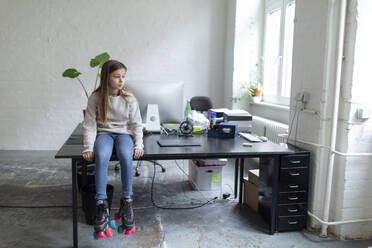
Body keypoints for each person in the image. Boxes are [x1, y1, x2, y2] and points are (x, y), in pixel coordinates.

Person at [82, 60, 144, 238]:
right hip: (104, 134)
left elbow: (136, 124)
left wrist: (138, 144)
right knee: (101, 156)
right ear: (106, 77)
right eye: (117, 76)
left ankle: (127, 201)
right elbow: (89, 125)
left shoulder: (129, 98)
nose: (121, 80)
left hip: (124, 134)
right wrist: (88, 147)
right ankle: (101, 204)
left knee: (126, 155)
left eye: (123, 76)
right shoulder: (96, 97)